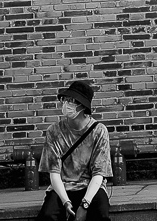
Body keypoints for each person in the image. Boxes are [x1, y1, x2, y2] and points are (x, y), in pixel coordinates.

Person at [36, 79, 112, 220]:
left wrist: (85, 204)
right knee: (48, 216)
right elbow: (54, 173)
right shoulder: (54, 131)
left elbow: (99, 173)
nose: (66, 104)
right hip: (62, 187)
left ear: (82, 106)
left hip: (90, 186)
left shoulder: (99, 131)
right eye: (65, 99)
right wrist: (66, 202)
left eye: (72, 101)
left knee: (101, 214)